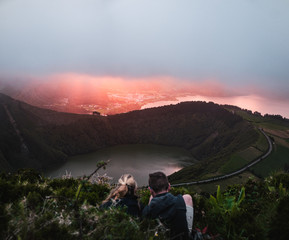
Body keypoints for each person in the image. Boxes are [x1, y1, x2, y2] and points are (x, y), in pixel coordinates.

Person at [142, 171, 194, 240]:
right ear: (169, 187)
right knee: (187, 197)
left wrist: (150, 203)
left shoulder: (146, 211)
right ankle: (188, 233)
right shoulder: (179, 201)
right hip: (182, 237)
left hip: (159, 236)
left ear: (150, 190)